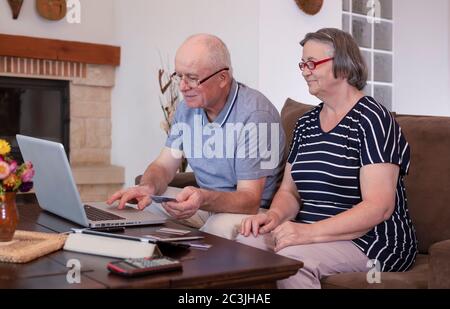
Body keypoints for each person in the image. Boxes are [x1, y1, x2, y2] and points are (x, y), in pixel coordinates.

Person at [237, 28, 418, 288]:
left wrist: (307, 233)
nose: (304, 70)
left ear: (343, 67)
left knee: (291, 262)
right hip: (313, 232)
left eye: (312, 63)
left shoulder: (372, 119)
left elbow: (380, 206)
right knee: (245, 243)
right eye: (302, 63)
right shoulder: (306, 123)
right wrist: (275, 216)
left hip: (374, 243)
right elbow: (290, 192)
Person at [108, 34, 286, 239]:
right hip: (205, 206)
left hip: (250, 213)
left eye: (192, 78)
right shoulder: (187, 108)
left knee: (219, 227)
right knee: (139, 207)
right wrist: (147, 187)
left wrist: (202, 198)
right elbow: (164, 166)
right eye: (179, 76)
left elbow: (250, 199)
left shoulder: (256, 116)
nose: (183, 87)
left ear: (222, 78)